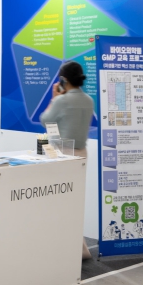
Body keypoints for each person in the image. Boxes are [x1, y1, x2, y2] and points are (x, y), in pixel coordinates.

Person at [40, 61, 94, 260]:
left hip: (61, 153)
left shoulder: (61, 101)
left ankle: (60, 247)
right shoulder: (88, 100)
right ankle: (80, 248)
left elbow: (45, 120)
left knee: (57, 202)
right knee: (73, 201)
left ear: (63, 80)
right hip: (81, 153)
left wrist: (54, 98)